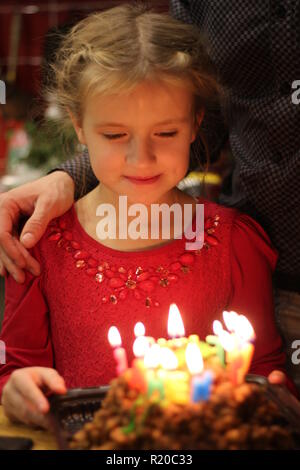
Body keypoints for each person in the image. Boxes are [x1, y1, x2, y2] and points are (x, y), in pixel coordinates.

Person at [0, 4, 296, 429]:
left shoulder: (234, 243)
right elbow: (13, 370)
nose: (142, 158)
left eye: (166, 133)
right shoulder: (39, 243)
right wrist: (16, 389)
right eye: (115, 135)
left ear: (197, 123)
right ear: (79, 126)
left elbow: (263, 374)